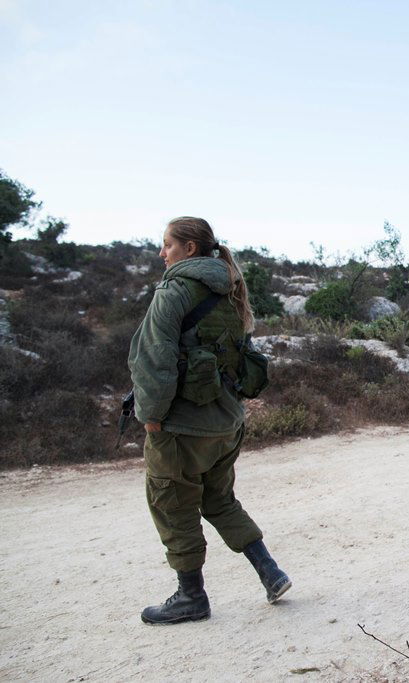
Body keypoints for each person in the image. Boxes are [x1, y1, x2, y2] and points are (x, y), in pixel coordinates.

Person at [128, 216, 291, 624]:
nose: (161, 253)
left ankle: (191, 598)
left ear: (190, 249)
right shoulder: (233, 290)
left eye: (167, 245)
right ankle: (270, 572)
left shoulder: (174, 291)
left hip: (182, 427)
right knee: (219, 500)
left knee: (172, 505)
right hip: (227, 424)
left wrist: (151, 418)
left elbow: (153, 360)